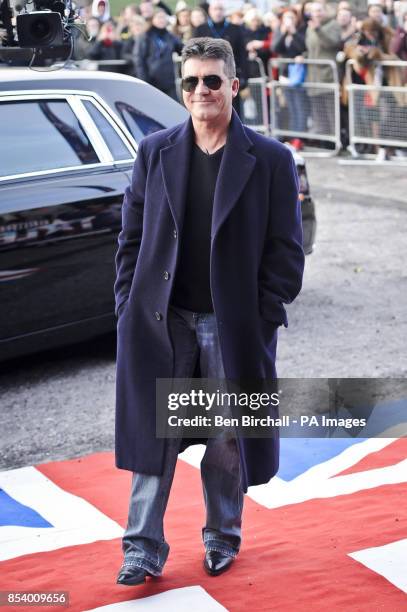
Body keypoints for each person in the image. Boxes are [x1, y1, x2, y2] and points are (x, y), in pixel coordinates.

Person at [114, 36, 304, 586]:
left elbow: (285, 251)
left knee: (225, 438)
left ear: (234, 87)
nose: (201, 91)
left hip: (232, 325)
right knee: (156, 435)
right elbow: (130, 238)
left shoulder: (269, 159)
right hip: (160, 320)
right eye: (192, 81)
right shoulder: (155, 151)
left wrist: (263, 313)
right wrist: (127, 305)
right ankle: (141, 548)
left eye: (212, 81)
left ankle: (222, 535)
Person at [133, 8, 183, 99]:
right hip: (151, 81)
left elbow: (182, 49)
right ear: (153, 19)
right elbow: (139, 59)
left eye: (164, 18)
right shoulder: (145, 36)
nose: (162, 20)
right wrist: (144, 80)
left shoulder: (170, 36)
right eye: (159, 17)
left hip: (168, 82)